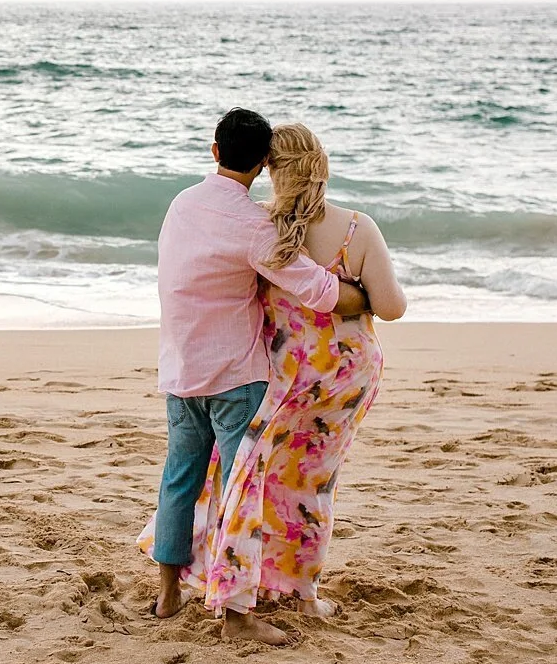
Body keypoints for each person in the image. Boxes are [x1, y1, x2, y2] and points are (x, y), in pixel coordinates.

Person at [152, 121, 405, 629]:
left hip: (221, 370)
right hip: (293, 378)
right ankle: (269, 601)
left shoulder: (197, 207)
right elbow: (353, 299)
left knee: (199, 480)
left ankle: (173, 592)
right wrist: (363, 297)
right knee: (300, 487)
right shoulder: (279, 229)